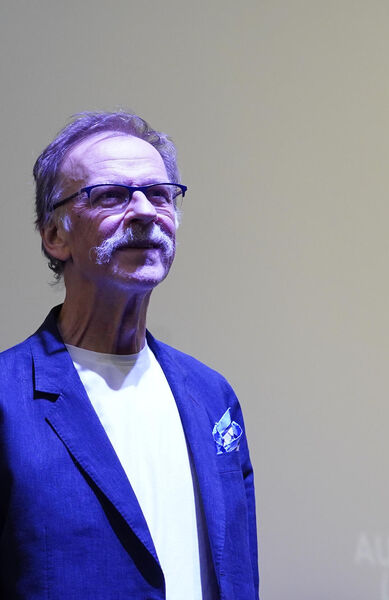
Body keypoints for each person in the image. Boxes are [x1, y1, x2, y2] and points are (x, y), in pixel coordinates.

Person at [0, 111, 259, 600]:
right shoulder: (7, 401)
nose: (144, 211)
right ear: (55, 235)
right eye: (112, 196)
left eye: (159, 194)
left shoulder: (212, 397)